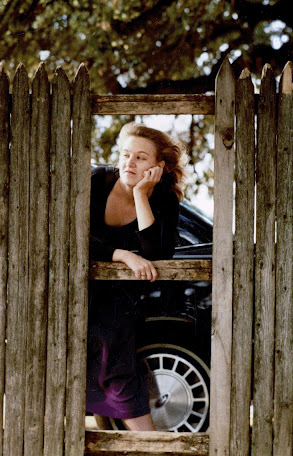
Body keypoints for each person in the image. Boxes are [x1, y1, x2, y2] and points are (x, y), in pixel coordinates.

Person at [87, 122, 186, 431]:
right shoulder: (96, 183)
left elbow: (157, 254)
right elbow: (74, 238)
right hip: (78, 292)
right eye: (125, 154)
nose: (129, 163)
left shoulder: (164, 199)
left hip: (119, 300)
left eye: (140, 158)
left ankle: (148, 445)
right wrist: (123, 255)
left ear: (159, 167)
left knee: (115, 358)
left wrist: (141, 194)